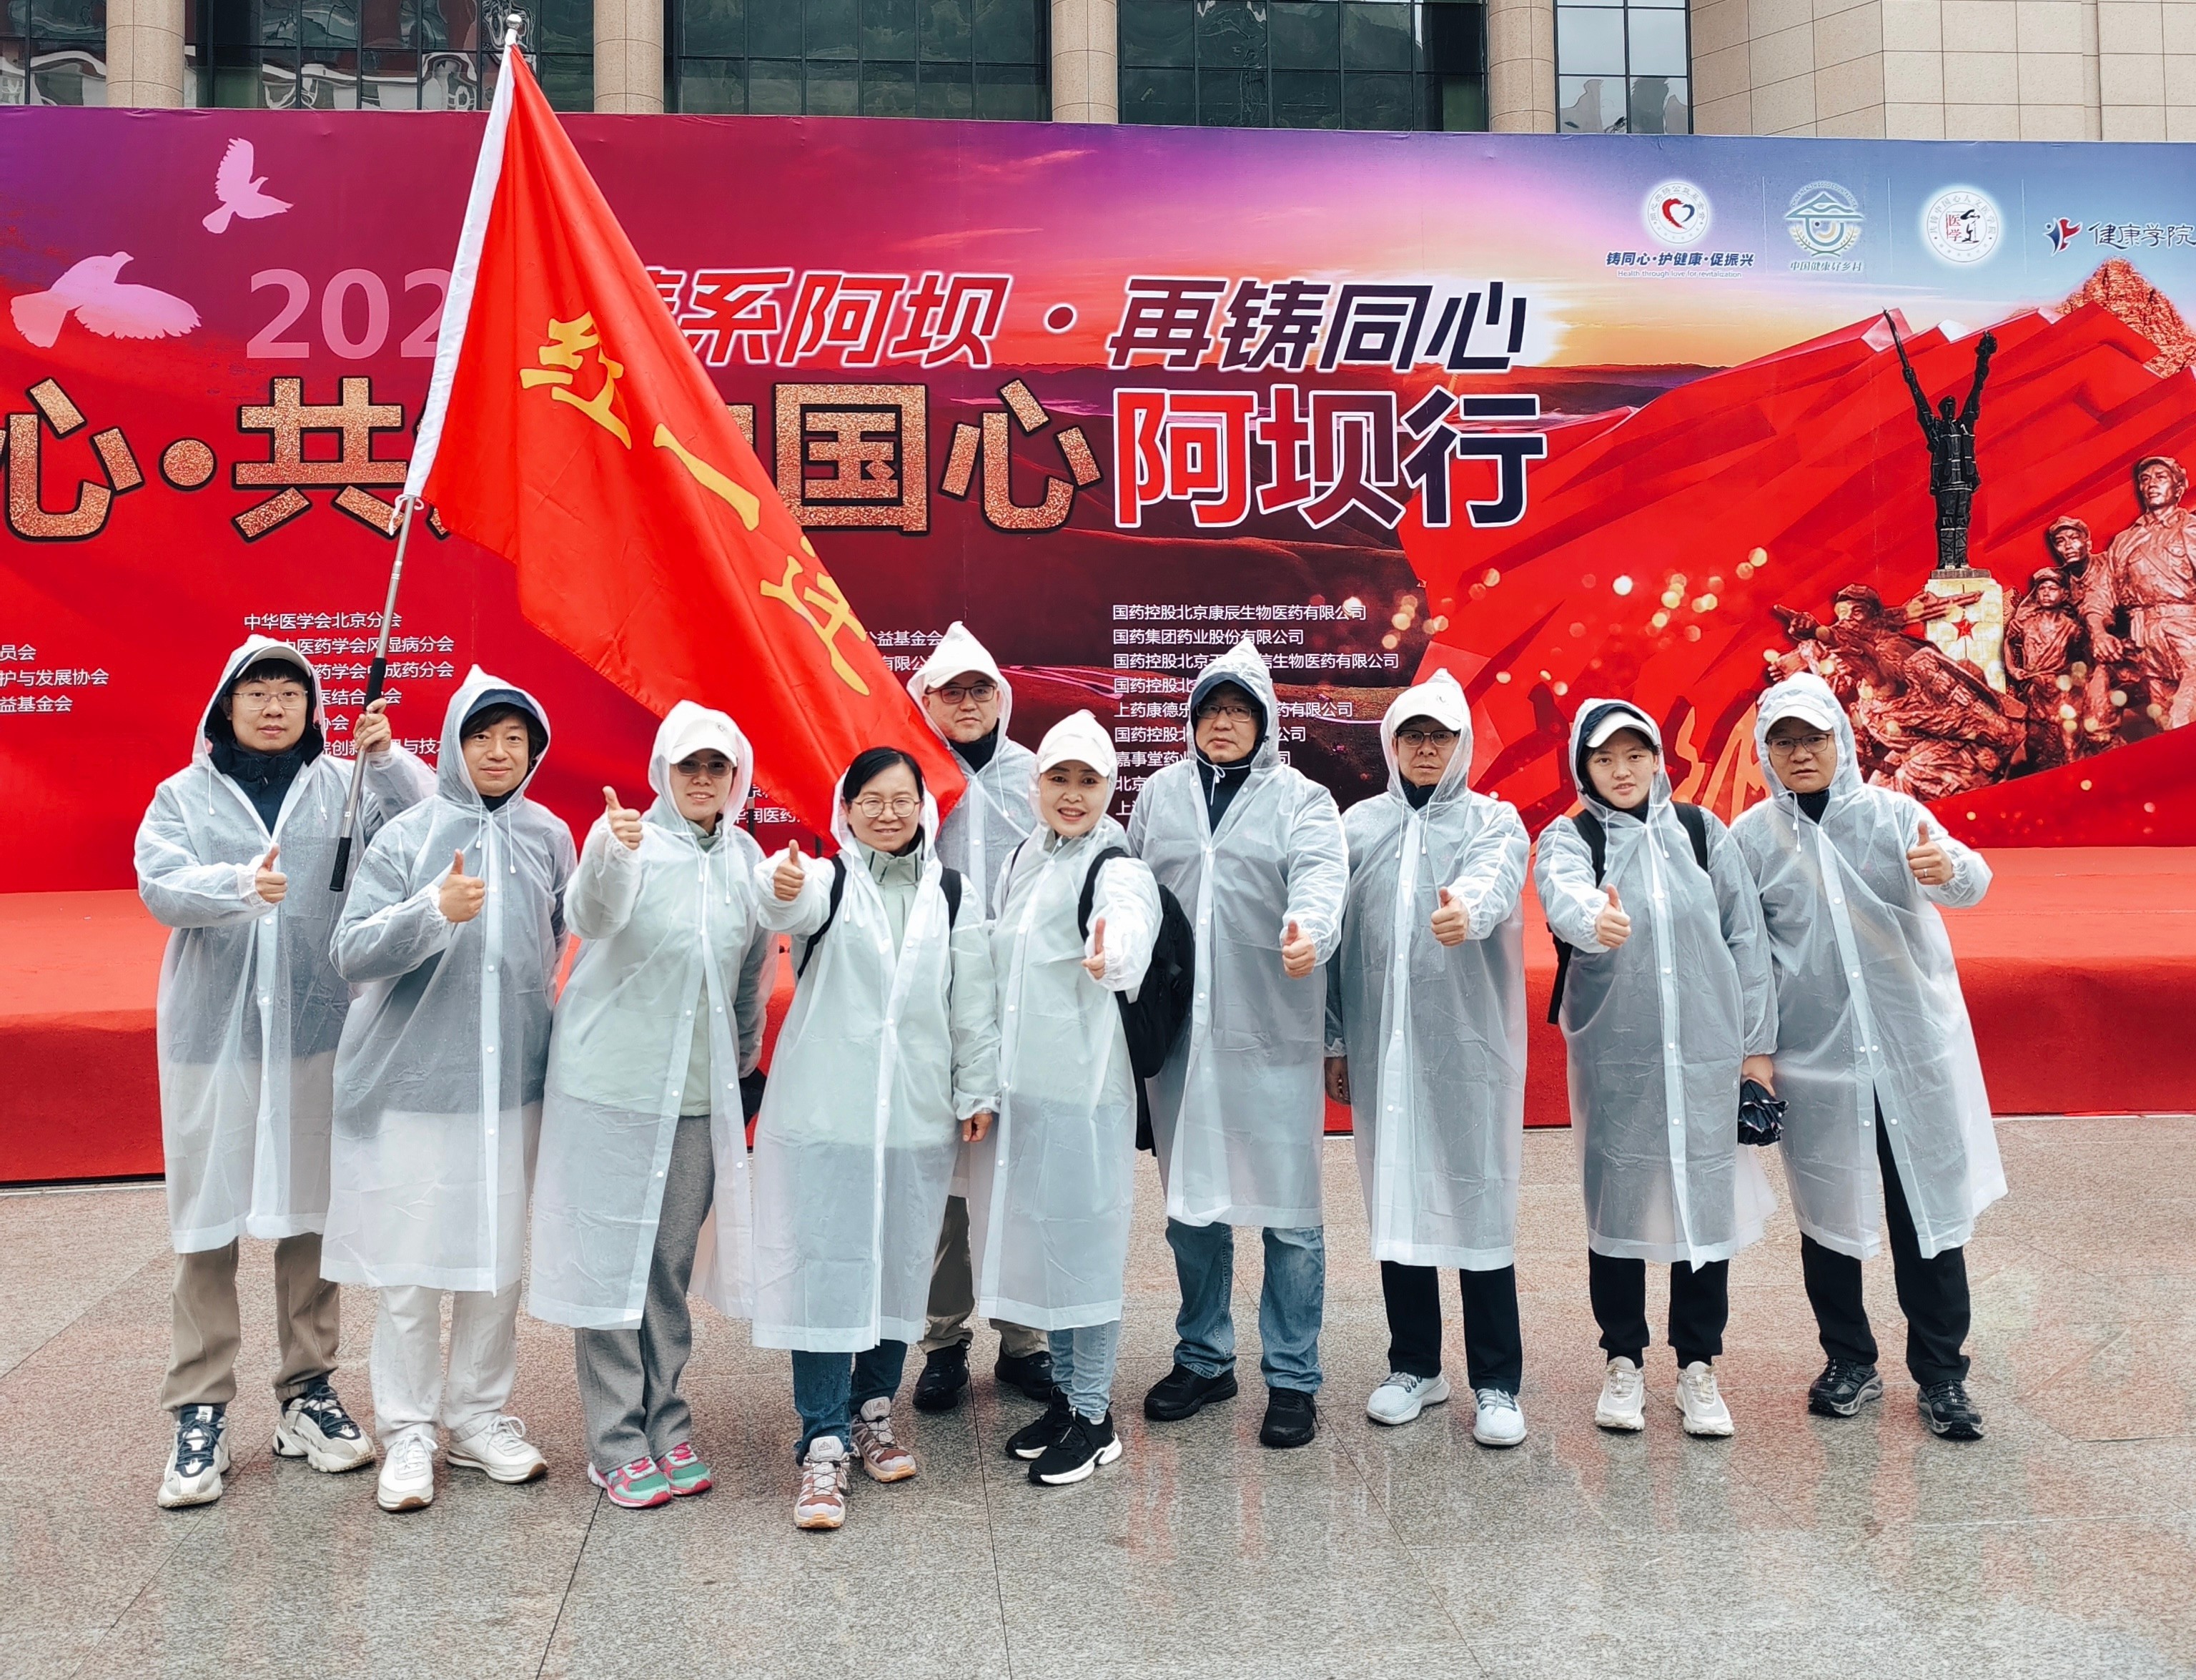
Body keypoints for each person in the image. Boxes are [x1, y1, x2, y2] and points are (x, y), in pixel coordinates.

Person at [134, 636, 429, 1508]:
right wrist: (237, 885)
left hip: (317, 1030)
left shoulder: (347, 785)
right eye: (256, 691)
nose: (273, 706)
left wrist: (390, 761)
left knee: (312, 1214)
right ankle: (200, 1406)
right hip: (213, 1040)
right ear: (224, 706)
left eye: (289, 693)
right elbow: (159, 883)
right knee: (206, 1218)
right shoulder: (183, 795)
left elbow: (424, 833)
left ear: (313, 709)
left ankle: (307, 1391)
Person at [1731, 673, 2004, 1441]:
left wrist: (1948, 869)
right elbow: (1749, 955)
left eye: (1813, 738)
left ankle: (1943, 1374)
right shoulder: (1751, 839)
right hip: (1818, 1058)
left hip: (1912, 1051)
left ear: (1841, 740)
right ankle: (1849, 1359)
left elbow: (1973, 882)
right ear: (1767, 752)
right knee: (1828, 1214)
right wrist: (1756, 1053)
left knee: (1927, 1213)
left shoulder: (1895, 816)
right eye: (1785, 741)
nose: (1800, 753)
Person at [326, 669, 575, 1511]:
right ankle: (406, 1428)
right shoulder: (409, 835)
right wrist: (435, 910)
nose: (499, 752)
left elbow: (553, 941)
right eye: (482, 736)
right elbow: (351, 950)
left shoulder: (549, 834)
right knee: (412, 1267)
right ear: (453, 744)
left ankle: (475, 1418)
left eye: (515, 739)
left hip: (511, 1090)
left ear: (535, 752)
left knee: (496, 1265)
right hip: (415, 1087)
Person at [528, 703, 775, 1509]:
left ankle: (667, 1421)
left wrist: (743, 1066)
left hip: (699, 1095)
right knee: (611, 1262)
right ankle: (615, 1441)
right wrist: (610, 852)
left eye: (716, 767)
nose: (702, 780)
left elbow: (749, 976)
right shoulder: (628, 839)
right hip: (612, 1087)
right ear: (663, 771)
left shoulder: (745, 858)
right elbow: (590, 915)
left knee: (666, 1264)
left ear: (735, 777)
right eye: (687, 765)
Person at [751, 748, 999, 1531]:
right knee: (828, 1272)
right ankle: (822, 1439)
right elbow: (784, 901)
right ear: (847, 809)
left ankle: (872, 1410)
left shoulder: (952, 893)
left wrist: (976, 1088)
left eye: (902, 800)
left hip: (916, 1119)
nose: (888, 814)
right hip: (831, 1118)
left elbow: (972, 999)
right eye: (872, 800)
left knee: (898, 1267)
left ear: (924, 807)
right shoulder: (827, 882)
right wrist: (779, 883)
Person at [1535, 701, 1778, 1438]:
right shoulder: (1572, 837)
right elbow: (1562, 893)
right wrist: (1591, 919)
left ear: (1656, 760)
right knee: (1620, 1203)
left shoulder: (1702, 833)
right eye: (1605, 758)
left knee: (1703, 1203)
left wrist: (1755, 1050)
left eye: (1635, 755)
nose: (1623, 770)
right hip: (1621, 1056)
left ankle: (1698, 1364)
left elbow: (1746, 939)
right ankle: (1623, 1359)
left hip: (1704, 1053)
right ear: (1584, 768)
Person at [1128, 638, 1347, 1449]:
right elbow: (1129, 883)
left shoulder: (1303, 800)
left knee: (1289, 1214)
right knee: (1192, 1208)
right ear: (1192, 721)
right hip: (1184, 1037)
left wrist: (1311, 928)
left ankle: (1292, 1375)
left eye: (1238, 711)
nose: (1222, 723)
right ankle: (1205, 1356)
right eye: (1210, 710)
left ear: (1266, 723)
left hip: (1271, 1031)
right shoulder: (1160, 794)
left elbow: (1323, 877)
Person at [1324, 670, 1530, 1446]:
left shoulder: (1492, 821)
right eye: (1412, 735)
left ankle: (1497, 1381)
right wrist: (1337, 1041)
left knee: (1478, 1200)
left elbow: (1495, 879)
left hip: (1467, 1047)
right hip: (1383, 1047)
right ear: (1391, 744)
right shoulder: (1359, 826)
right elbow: (1337, 939)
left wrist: (1468, 910)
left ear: (1461, 745)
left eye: (1439, 736)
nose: (1424, 749)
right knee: (1398, 1197)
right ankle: (1414, 1364)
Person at [966, 711, 1161, 1485]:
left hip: (1084, 1097)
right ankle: (1068, 1402)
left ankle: (1095, 1415)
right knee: (1050, 1252)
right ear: (1036, 784)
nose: (1073, 794)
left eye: (1088, 780)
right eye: (1059, 778)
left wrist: (1118, 955)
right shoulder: (1025, 856)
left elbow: (1131, 920)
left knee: (1086, 1252)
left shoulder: (1116, 864)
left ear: (1109, 788)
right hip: (1026, 1097)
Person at [903, 623, 1049, 1411]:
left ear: (1002, 696)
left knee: (1021, 1179)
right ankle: (943, 1342)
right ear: (925, 700)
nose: (966, 704)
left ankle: (1027, 1341)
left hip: (1028, 1005)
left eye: (979, 689)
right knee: (948, 1188)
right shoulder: (909, 779)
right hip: (937, 1006)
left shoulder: (1037, 775)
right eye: (951, 691)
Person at [2086, 455, 2196, 731]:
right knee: (2164, 722)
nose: (2151, 484)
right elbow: (2100, 594)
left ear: (2178, 488)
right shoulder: (2125, 541)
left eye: (2161, 477)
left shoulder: (2191, 530)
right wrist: (2098, 632)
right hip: (2145, 639)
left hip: (2187, 631)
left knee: (2182, 716)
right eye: (2145, 479)